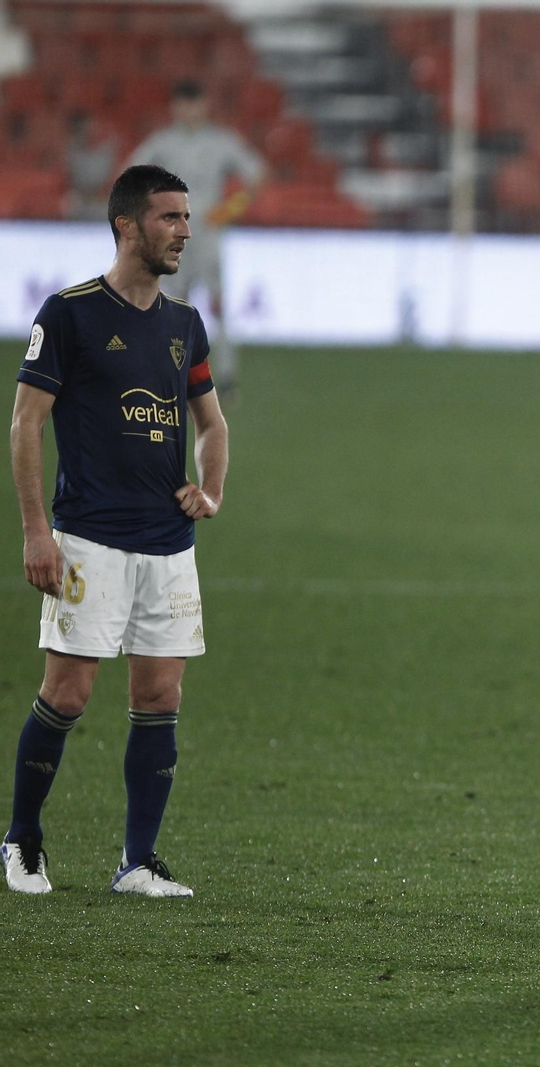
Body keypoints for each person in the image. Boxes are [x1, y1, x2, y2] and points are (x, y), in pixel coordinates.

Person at [2, 164, 228, 898]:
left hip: (168, 542)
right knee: (67, 693)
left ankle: (137, 860)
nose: (184, 232)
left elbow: (212, 422)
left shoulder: (183, 325)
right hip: (87, 538)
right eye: (170, 218)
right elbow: (25, 425)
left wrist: (211, 487)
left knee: (161, 696)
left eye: (187, 219)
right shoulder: (68, 314)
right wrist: (38, 531)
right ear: (128, 225)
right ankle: (22, 842)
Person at [126, 80, 264, 394]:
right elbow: (130, 174)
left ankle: (225, 374)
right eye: (183, 104)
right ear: (175, 107)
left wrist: (231, 208)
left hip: (207, 233)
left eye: (193, 103)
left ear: (203, 106)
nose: (188, 111)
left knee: (217, 304)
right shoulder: (163, 143)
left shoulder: (220, 142)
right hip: (173, 235)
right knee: (174, 304)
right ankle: (173, 372)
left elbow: (256, 174)